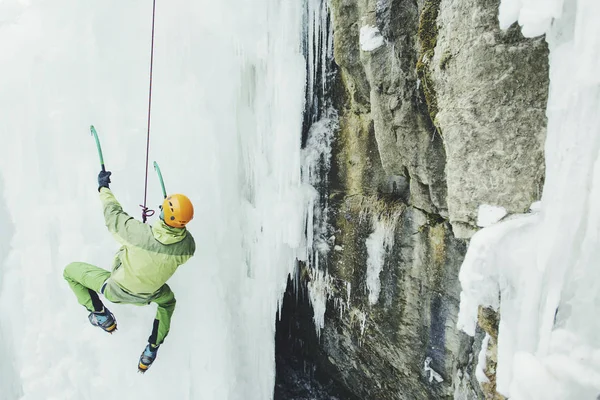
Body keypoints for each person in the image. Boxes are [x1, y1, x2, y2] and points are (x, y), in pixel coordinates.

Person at [63, 170, 196, 372]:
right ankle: (152, 348)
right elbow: (172, 240)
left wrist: (103, 187)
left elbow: (112, 215)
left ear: (166, 215)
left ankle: (101, 315)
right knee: (168, 302)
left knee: (70, 272)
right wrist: (165, 221)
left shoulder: (139, 235)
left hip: (115, 290)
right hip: (149, 295)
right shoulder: (188, 248)